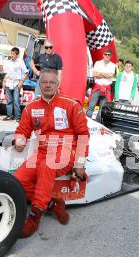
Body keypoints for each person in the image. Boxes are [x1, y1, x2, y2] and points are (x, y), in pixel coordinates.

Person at [13, 69, 89, 238]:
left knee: (47, 167)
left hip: (66, 150)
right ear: (39, 84)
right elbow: (22, 129)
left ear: (58, 84)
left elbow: (83, 135)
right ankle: (54, 203)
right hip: (42, 151)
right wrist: (19, 139)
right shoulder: (32, 107)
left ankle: (34, 219)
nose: (48, 85)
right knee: (18, 181)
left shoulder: (71, 105)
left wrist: (80, 163)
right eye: (44, 82)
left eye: (52, 82)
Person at [86, 49, 116, 121]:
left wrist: (100, 73)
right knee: (91, 106)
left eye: (109, 55)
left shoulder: (113, 65)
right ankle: (87, 121)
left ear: (111, 56)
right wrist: (105, 74)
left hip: (107, 88)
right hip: (97, 87)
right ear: (103, 55)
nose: (107, 56)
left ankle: (99, 123)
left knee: (102, 108)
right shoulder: (98, 63)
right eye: (105, 54)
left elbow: (110, 75)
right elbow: (94, 74)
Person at [0, 47, 28, 122]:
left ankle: (18, 117)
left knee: (16, 100)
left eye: (13, 54)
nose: (12, 55)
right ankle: (9, 116)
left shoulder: (20, 62)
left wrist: (21, 82)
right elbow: (5, 72)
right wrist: (4, 82)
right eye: (11, 53)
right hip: (8, 82)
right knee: (9, 100)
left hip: (16, 83)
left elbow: (26, 72)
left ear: (17, 55)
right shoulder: (8, 61)